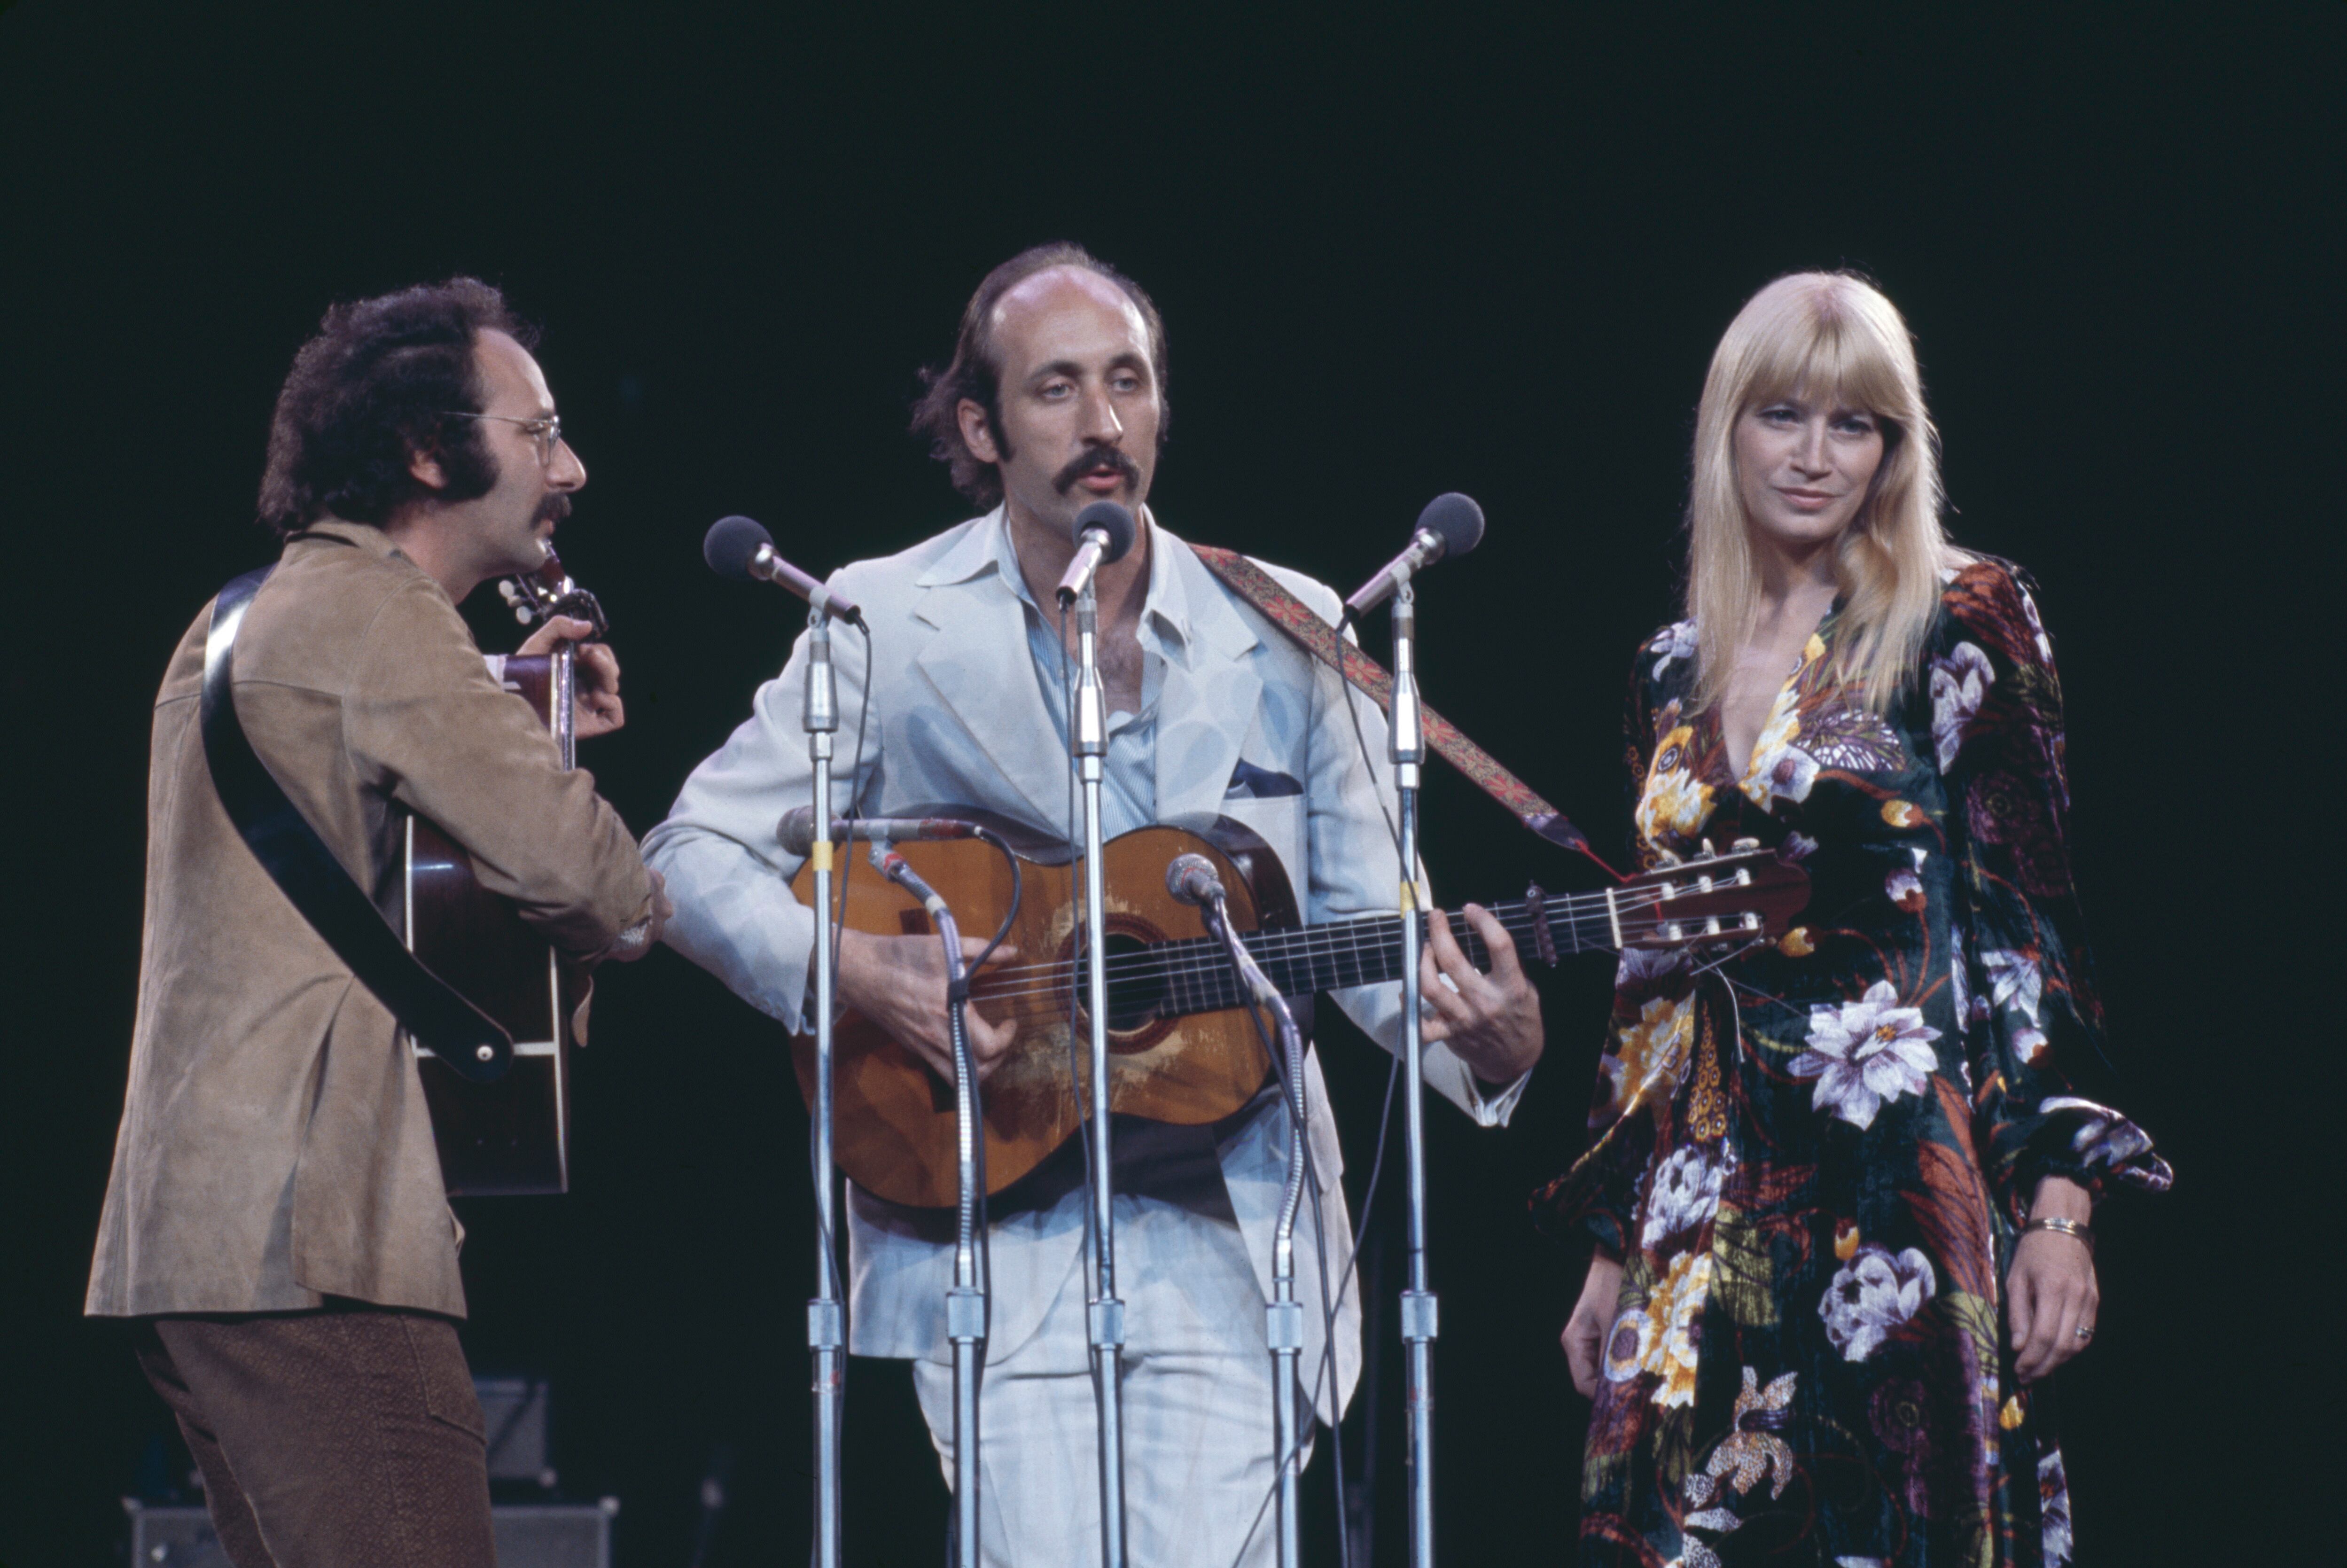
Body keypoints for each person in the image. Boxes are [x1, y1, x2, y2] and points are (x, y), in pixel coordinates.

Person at [643, 242, 1544, 1565]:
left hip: (1236, 1230)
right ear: (981, 426)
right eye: (1056, 389)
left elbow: (1368, 921)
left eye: (1127, 382)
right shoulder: (882, 619)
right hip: (988, 1221)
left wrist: (1487, 1047)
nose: (1101, 422)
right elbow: (685, 850)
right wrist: (850, 968)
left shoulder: (1287, 625)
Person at [1536, 272, 2170, 1567]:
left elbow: (2028, 928)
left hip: (1893, 1201)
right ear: (1727, 429)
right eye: (1783, 416)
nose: (1816, 456)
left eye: (1854, 424)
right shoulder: (1672, 663)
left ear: (1895, 446)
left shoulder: (1960, 617)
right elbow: (1649, 980)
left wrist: (2057, 1205)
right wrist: (1609, 1247)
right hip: (1694, 1216)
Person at [86, 279, 670, 1568]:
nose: (568, 465)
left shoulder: (247, 612)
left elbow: (406, 903)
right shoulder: (384, 619)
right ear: (425, 450)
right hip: (314, 1242)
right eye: (536, 433)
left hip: (198, 1243)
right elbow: (602, 890)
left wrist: (518, 723)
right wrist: (559, 769)